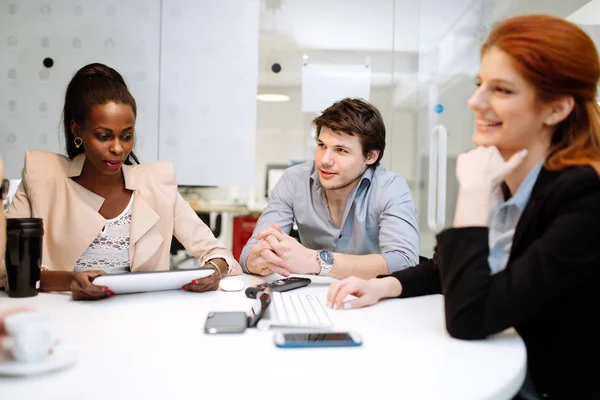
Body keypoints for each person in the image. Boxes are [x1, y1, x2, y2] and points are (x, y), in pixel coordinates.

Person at [328, 15, 600, 398]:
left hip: (548, 384)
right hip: (502, 365)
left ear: (555, 109)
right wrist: (382, 286)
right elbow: (450, 271)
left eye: (502, 90)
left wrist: (472, 193)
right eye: (479, 84)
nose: (475, 101)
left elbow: (468, 316)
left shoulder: (585, 197)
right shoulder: (503, 173)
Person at [0, 63, 241, 300]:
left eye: (127, 136)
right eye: (103, 136)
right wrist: (70, 280)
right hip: (62, 322)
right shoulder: (42, 178)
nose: (117, 148)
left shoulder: (156, 185)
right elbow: (4, 268)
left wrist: (214, 271)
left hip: (138, 324)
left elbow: (219, 254)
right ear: (77, 131)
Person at [240, 98, 419, 279]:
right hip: (309, 295)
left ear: (370, 156)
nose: (325, 160)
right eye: (322, 145)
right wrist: (259, 258)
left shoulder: (390, 188)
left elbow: (405, 261)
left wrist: (315, 260)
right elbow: (249, 253)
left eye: (341, 150)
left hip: (370, 297)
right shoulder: (294, 180)